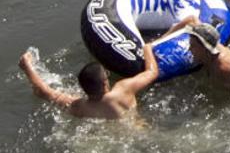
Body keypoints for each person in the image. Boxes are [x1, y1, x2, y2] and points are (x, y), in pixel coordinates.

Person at [18, 44, 158, 121]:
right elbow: (152, 73)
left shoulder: (80, 107)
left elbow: (44, 92)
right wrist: (147, 49)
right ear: (104, 83)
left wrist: (27, 67)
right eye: (106, 74)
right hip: (139, 132)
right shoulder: (122, 90)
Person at [160, 14, 230, 90]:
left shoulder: (224, 66)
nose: (189, 49)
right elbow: (191, 19)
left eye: (193, 46)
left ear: (205, 49)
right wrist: (161, 39)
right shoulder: (207, 40)